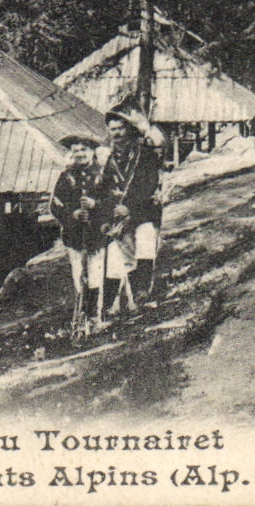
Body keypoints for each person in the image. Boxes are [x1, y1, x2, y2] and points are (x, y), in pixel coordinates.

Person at [105, 95, 166, 308]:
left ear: (129, 129)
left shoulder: (144, 153)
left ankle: (143, 290)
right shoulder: (109, 159)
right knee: (127, 252)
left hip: (144, 210)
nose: (117, 134)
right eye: (113, 130)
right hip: (121, 216)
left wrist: (128, 205)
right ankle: (134, 297)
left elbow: (148, 183)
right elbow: (104, 187)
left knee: (146, 243)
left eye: (121, 128)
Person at [49, 135, 112, 334]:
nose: (80, 154)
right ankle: (79, 320)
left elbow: (113, 202)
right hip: (74, 237)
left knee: (95, 277)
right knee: (79, 278)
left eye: (84, 150)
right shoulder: (66, 177)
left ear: (92, 152)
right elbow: (55, 206)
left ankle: (95, 319)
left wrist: (96, 205)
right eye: (76, 151)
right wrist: (72, 214)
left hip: (96, 235)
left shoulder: (102, 176)